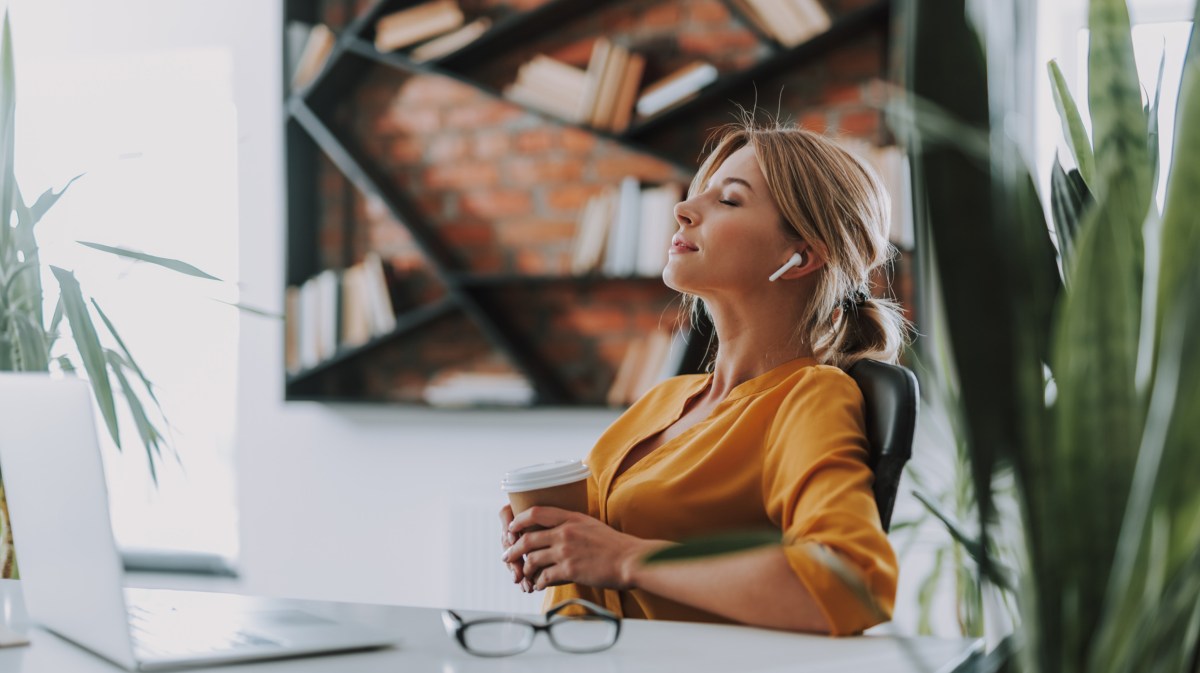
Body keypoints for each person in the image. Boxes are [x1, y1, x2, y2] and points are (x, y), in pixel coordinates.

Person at [498, 121, 910, 636]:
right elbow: (599, 553)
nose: (683, 209)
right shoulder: (665, 399)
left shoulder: (808, 398)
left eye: (730, 201)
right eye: (700, 194)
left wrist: (626, 559)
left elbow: (852, 583)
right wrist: (552, 539)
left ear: (800, 255)